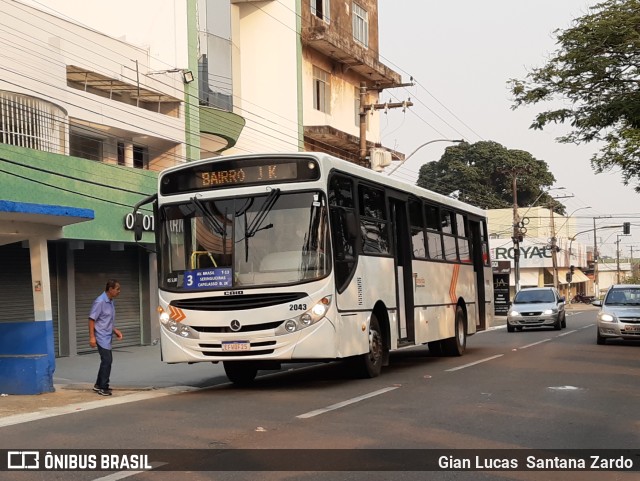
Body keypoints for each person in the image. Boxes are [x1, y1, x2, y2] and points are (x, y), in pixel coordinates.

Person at [88, 279, 123, 396]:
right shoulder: (100, 301)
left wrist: (115, 330)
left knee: (106, 361)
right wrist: (92, 337)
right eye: (117, 289)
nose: (119, 291)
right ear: (110, 289)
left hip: (107, 335)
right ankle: (103, 387)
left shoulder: (110, 301)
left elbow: (106, 320)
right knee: (107, 360)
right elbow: (92, 319)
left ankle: (98, 385)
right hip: (101, 336)